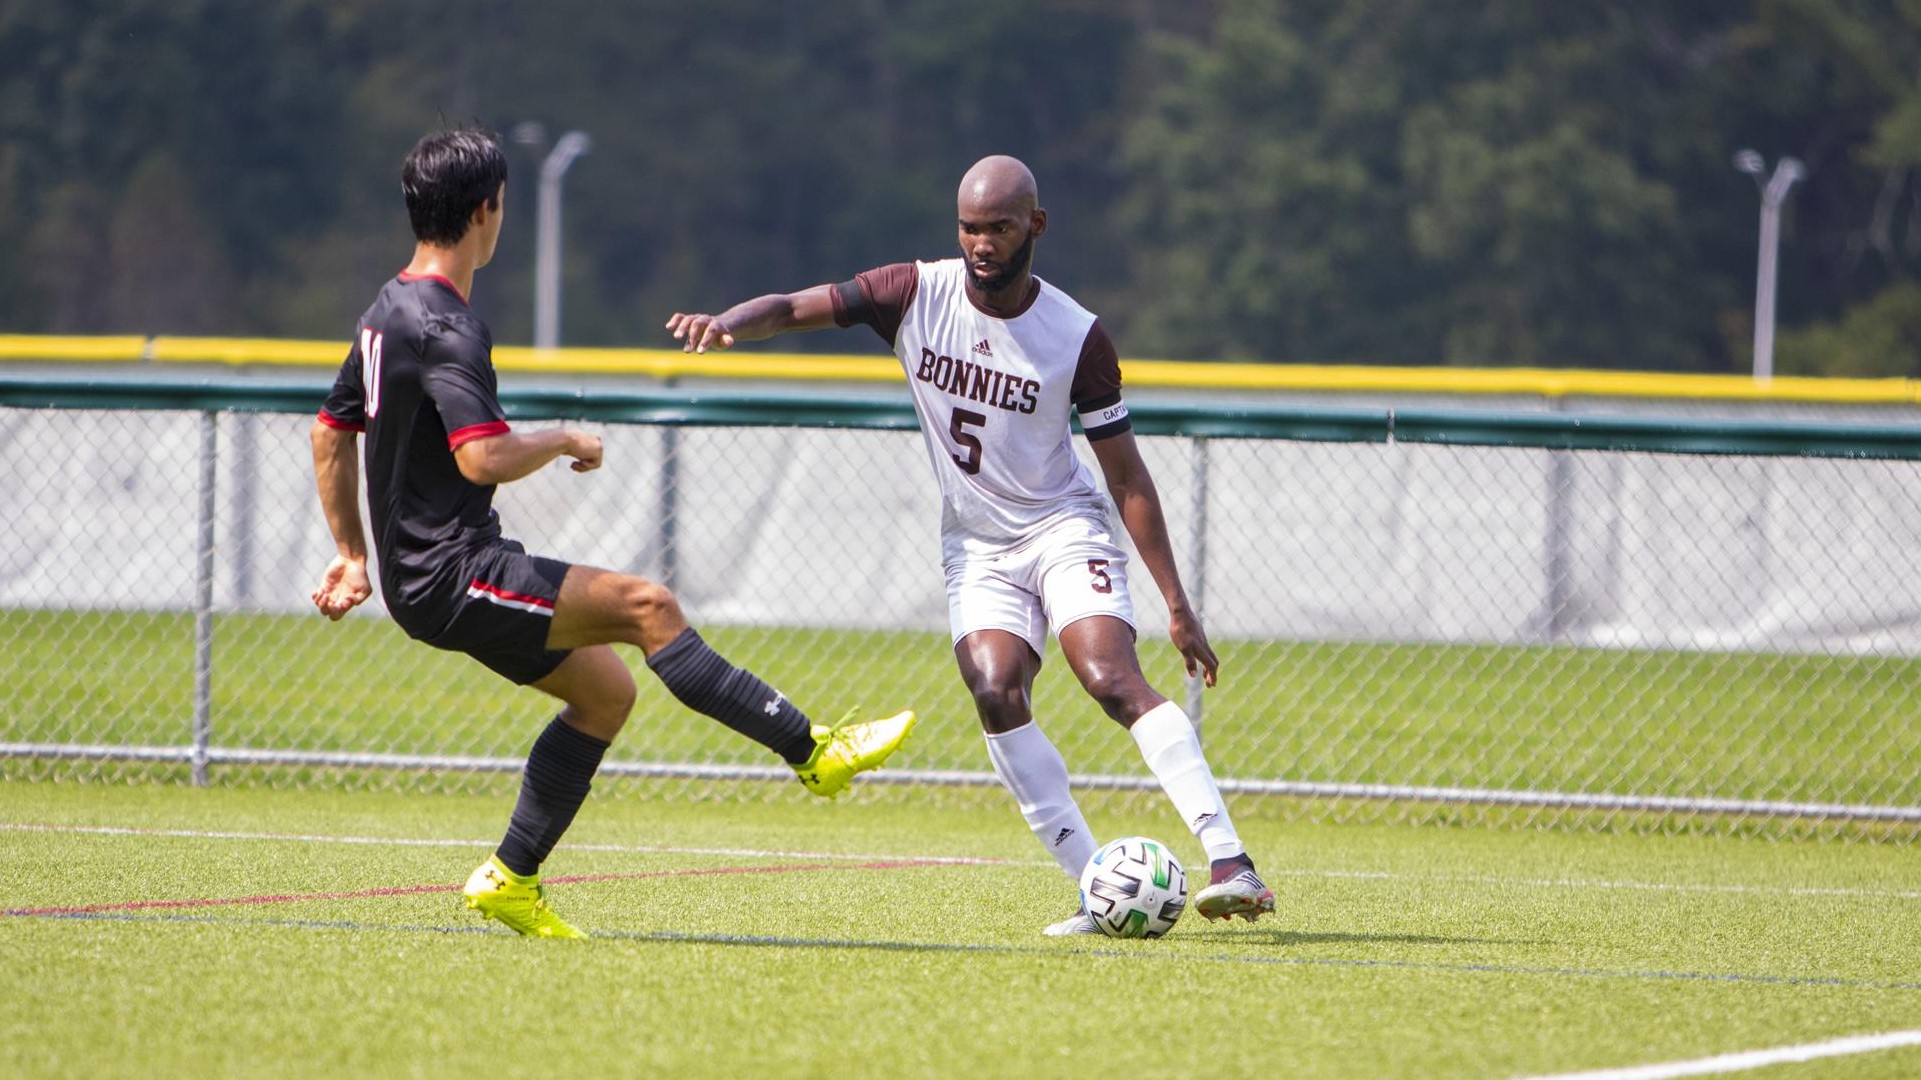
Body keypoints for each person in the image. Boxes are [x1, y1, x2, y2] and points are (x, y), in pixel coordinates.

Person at [310, 128, 915, 940]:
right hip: (452, 573)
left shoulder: (386, 309)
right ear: (489, 210)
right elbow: (483, 457)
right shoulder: (447, 326)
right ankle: (814, 751)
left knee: (604, 694)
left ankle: (510, 879)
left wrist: (353, 554)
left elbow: (328, 429)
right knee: (649, 607)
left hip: (433, 572)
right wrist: (563, 437)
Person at [665, 154, 1272, 934]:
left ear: (1036, 227)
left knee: (1108, 677)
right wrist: (727, 324)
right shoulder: (913, 292)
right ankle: (1095, 889)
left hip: (1062, 526)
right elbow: (790, 305)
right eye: (969, 227)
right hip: (978, 547)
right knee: (994, 688)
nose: (981, 243)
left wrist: (1177, 607)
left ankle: (1230, 861)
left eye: (999, 227)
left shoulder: (1077, 337)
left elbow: (1126, 477)